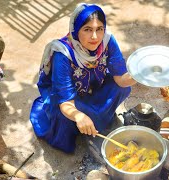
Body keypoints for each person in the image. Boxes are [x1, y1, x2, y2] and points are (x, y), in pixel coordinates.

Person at [29, 3, 136, 153]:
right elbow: (66, 103)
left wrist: (141, 74)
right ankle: (86, 122)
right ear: (75, 30)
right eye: (87, 30)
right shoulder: (63, 55)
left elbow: (121, 79)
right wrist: (79, 116)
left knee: (122, 87)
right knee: (64, 115)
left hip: (94, 88)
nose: (95, 37)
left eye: (99, 29)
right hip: (70, 100)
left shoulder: (107, 40)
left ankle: (96, 119)